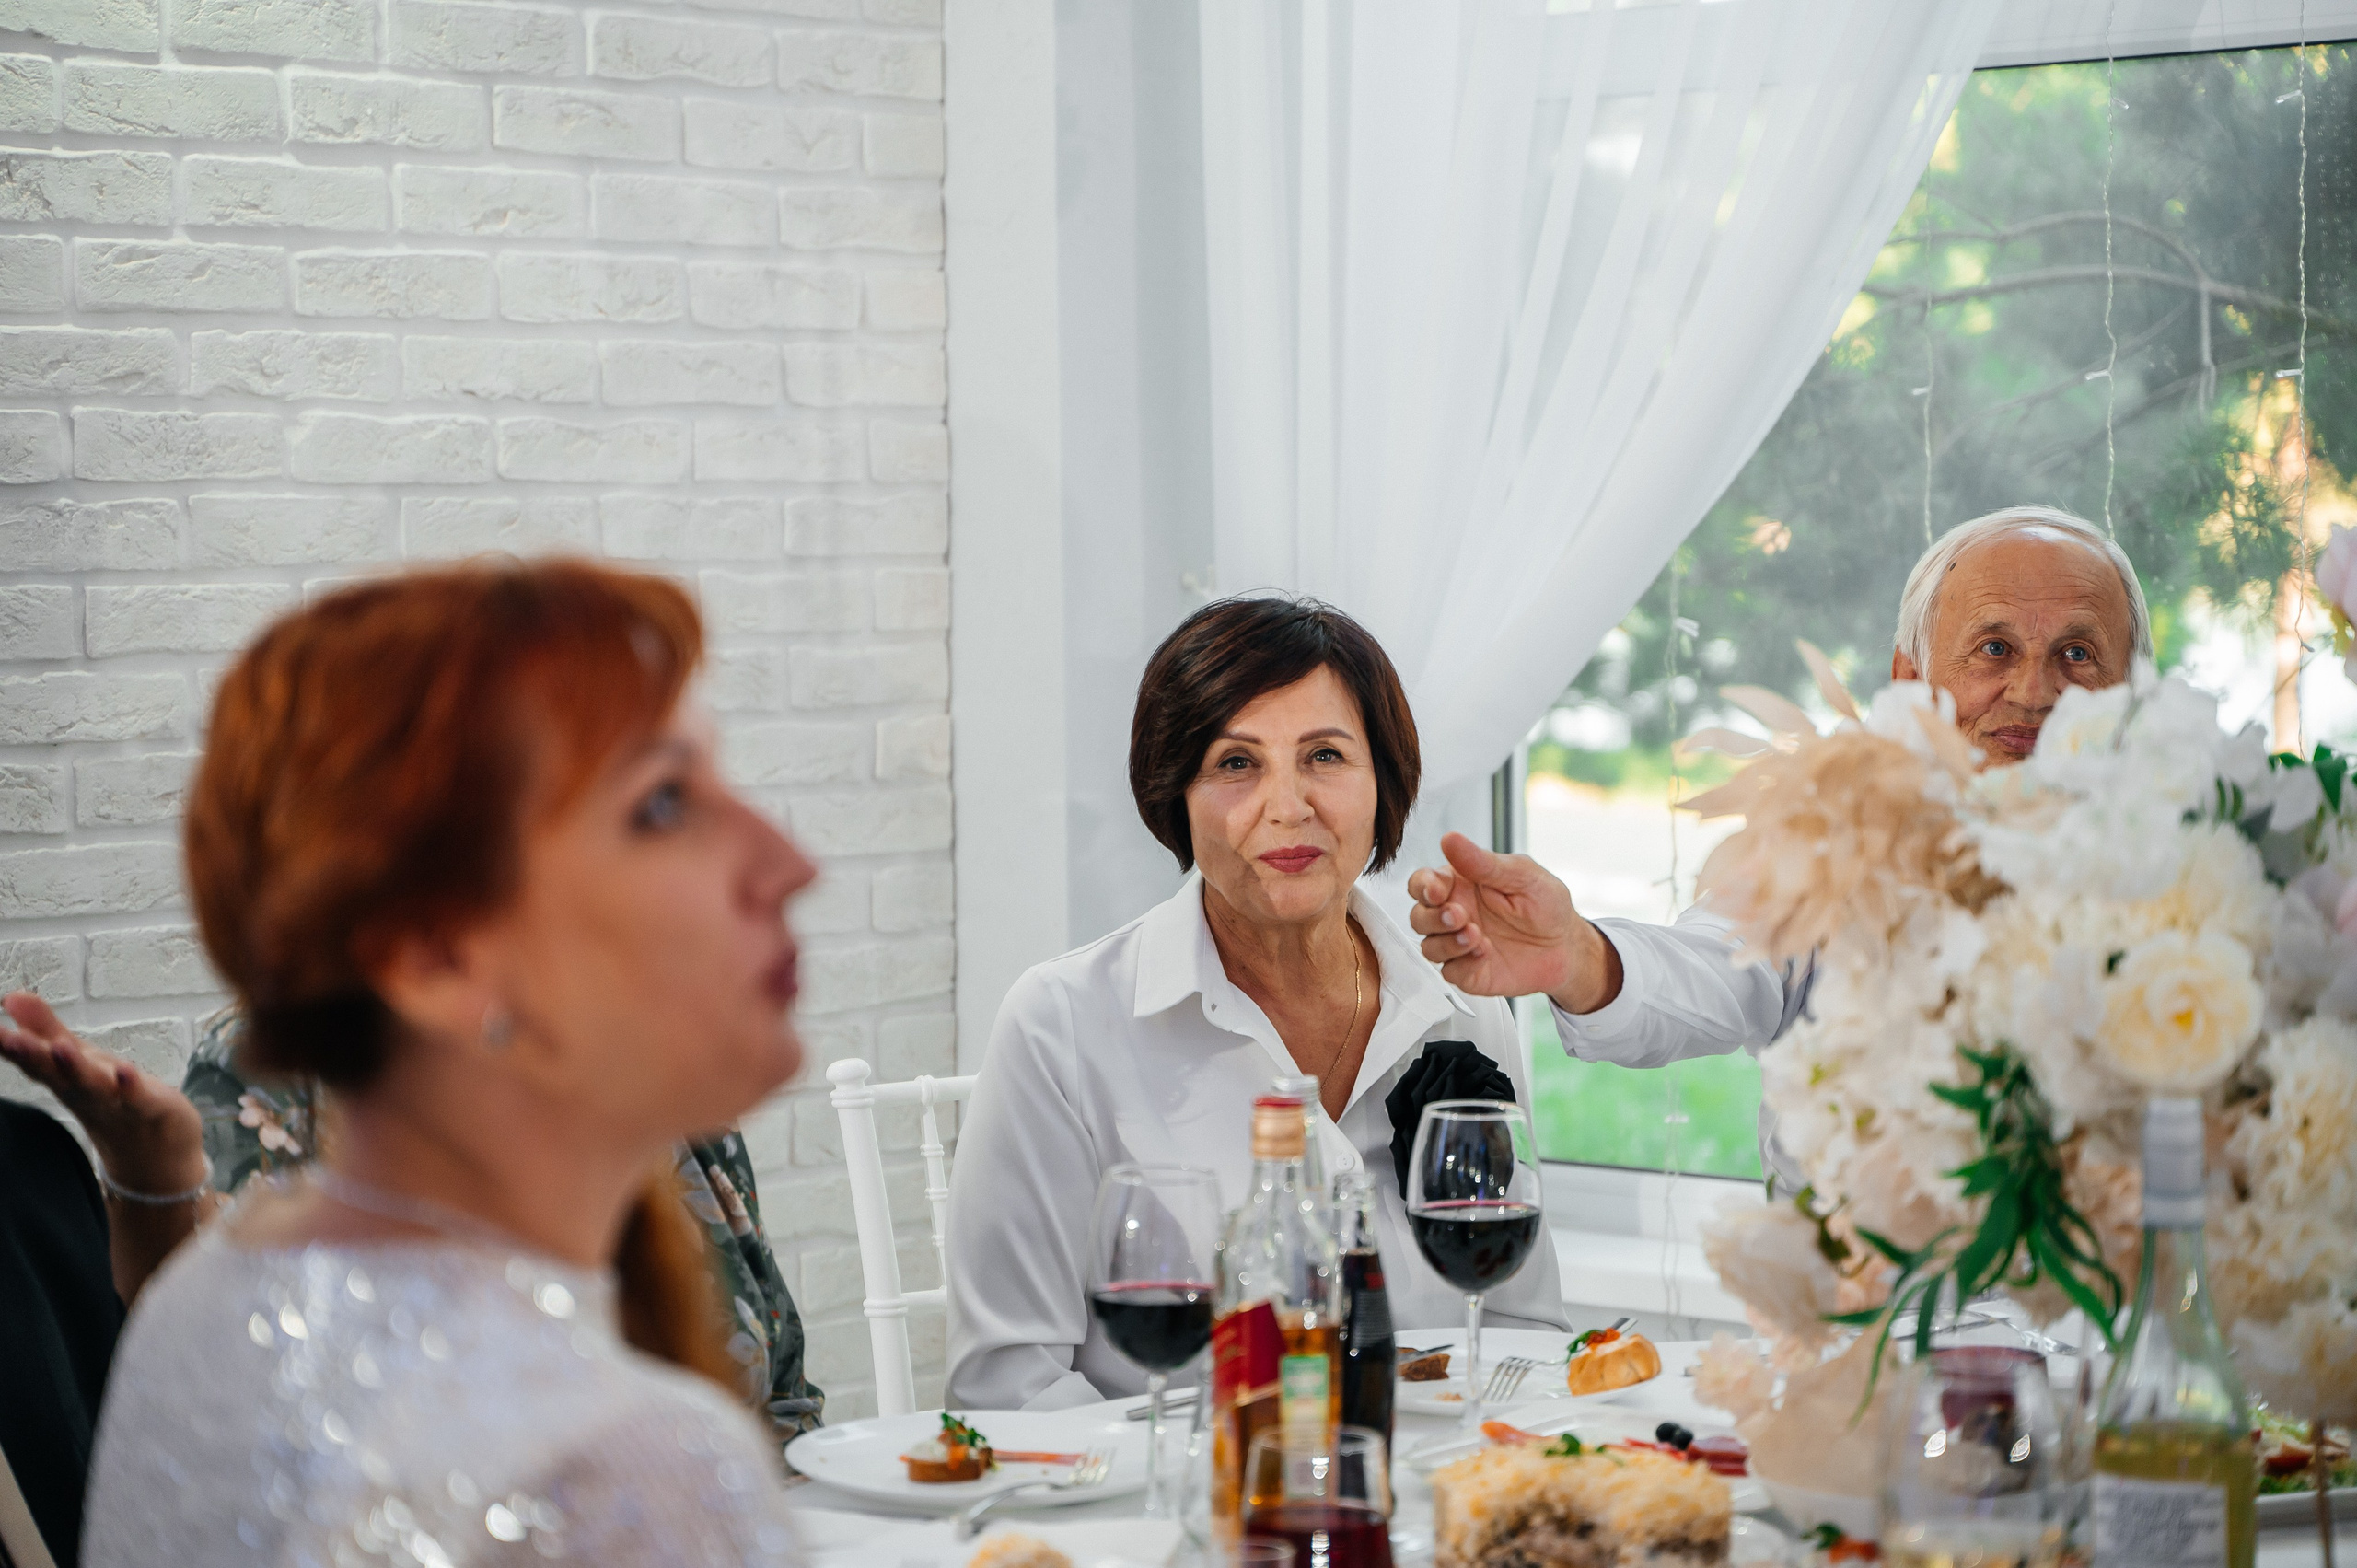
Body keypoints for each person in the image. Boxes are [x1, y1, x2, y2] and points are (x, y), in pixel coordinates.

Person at [78, 560, 813, 1566]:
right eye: (661, 805)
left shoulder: (202, 1304)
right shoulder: (619, 1467)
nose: (788, 863)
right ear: (437, 958)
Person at [1405, 505, 2150, 1185]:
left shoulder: (2194, 866)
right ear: (1910, 676)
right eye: (1994, 647)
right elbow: (1713, 969)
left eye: (2077, 653)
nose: (2034, 691)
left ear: (2135, 685)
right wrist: (1580, 955)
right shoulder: (1833, 836)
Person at [946, 596, 1566, 1411]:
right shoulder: (1060, 1023)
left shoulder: (1460, 997)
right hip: (1174, 1490)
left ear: (1382, 780)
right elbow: (1008, 1386)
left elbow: (1522, 1330)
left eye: (1325, 755)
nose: (1288, 805)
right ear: (1176, 793)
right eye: (1236, 763)